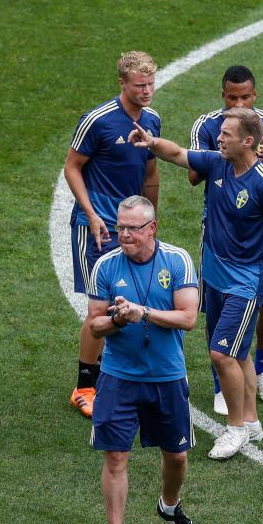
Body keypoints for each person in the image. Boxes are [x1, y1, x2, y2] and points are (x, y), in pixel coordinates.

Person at [130, 108, 263, 461]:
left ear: (247, 141)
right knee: (238, 352)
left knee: (221, 353)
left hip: (243, 283)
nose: (218, 138)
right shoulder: (218, 163)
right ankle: (251, 421)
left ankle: (235, 428)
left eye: (226, 134)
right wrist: (151, 142)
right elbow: (177, 154)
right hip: (215, 279)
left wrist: (258, 255)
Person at [86, 196, 201, 524]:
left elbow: (188, 318)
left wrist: (143, 312)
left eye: (133, 228)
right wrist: (119, 319)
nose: (124, 234)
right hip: (119, 377)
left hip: (166, 377)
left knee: (177, 456)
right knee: (116, 455)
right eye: (120, 227)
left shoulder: (177, 260)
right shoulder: (105, 266)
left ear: (152, 228)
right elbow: (93, 325)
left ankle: (169, 506)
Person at [190, 65, 263, 413]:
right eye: (232, 97)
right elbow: (193, 174)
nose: (238, 103)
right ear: (223, 96)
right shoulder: (208, 126)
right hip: (220, 232)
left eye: (245, 97)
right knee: (217, 308)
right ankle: (221, 384)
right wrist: (223, 151)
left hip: (259, 232)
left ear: (255, 95)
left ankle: (259, 371)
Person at [66, 51, 161, 418]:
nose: (147, 90)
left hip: (135, 225)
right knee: (99, 308)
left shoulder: (152, 120)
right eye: (140, 85)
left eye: (151, 84)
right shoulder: (98, 120)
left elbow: (151, 175)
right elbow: (72, 168)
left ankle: (114, 377)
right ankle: (84, 386)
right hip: (98, 225)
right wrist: (90, 215)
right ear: (122, 83)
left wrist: (152, 222)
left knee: (128, 300)